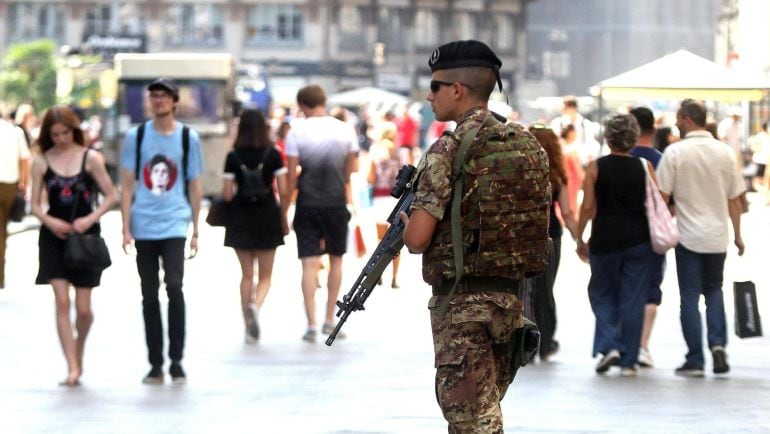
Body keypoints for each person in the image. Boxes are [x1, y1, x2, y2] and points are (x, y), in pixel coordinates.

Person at [400, 40, 549, 432]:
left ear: (457, 89)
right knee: (481, 412)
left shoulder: (447, 150)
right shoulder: (527, 144)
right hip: (510, 301)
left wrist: (405, 222)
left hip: (462, 306)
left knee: (474, 423)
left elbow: (417, 239)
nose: (429, 95)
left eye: (434, 86)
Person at [120, 77, 204, 384]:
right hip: (144, 222)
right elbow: (127, 184)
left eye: (164, 97)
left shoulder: (187, 138)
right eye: (154, 96)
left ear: (174, 102)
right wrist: (125, 226)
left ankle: (176, 359)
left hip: (174, 221)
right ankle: (155, 362)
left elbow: (195, 184)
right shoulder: (136, 136)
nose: (159, 101)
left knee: (174, 285)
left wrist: (196, 229)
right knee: (148, 293)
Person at [656, 99, 745, 378]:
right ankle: (718, 346)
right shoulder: (725, 153)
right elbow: (735, 200)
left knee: (690, 298)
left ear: (686, 119)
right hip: (717, 237)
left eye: (678, 119)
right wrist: (738, 236)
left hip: (687, 236)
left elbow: (662, 197)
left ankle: (695, 358)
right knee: (715, 292)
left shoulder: (675, 153)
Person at [29, 106, 117, 386]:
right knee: (62, 301)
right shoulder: (41, 161)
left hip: (86, 238)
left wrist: (89, 218)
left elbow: (111, 195)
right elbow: (33, 204)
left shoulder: (91, 158)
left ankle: (78, 351)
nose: (60, 139)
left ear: (73, 130)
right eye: (54, 134)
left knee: (84, 310)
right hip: (53, 236)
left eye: (65, 133)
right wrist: (49, 220)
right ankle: (72, 366)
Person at [576, 114, 655, 377]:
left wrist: (579, 236)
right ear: (633, 139)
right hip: (639, 240)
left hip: (605, 239)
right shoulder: (645, 167)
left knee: (601, 292)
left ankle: (610, 344)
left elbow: (587, 207)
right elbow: (657, 204)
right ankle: (629, 360)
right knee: (633, 298)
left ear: (608, 138)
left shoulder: (595, 167)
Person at [285, 84, 359, 342]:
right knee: (336, 260)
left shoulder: (296, 131)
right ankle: (330, 319)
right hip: (336, 202)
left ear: (302, 105)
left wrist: (284, 209)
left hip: (307, 203)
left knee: (309, 263)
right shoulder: (345, 129)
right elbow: (351, 169)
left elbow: (291, 175)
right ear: (323, 101)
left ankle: (311, 324)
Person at [221, 109, 289, 343]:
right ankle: (256, 307)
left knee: (246, 275)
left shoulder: (233, 156)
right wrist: (284, 216)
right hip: (267, 215)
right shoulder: (273, 154)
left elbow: (228, 195)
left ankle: (248, 329)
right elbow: (284, 188)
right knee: (266, 276)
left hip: (240, 217)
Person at [528, 124, 578, 360]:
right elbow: (567, 213)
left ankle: (524, 341)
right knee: (545, 289)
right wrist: (580, 240)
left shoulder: (522, 171)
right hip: (552, 237)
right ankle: (546, 342)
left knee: (524, 289)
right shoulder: (557, 174)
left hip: (524, 234)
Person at [628, 106, 665, 368]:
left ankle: (625, 343)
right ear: (653, 130)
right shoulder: (662, 160)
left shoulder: (619, 157)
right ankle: (642, 345)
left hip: (623, 233)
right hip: (653, 235)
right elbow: (668, 200)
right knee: (651, 291)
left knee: (627, 289)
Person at [367, 123, 402, 288]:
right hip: (397, 201)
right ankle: (394, 278)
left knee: (380, 239)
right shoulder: (402, 152)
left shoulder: (375, 152)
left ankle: (377, 273)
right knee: (395, 240)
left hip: (380, 199)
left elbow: (370, 178)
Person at [0, 104, 32, 289]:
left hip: (9, 183)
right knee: (2, 233)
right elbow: (24, 160)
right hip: (10, 185)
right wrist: (24, 184)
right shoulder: (14, 132)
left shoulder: (15, 131)